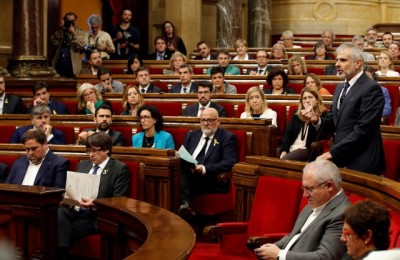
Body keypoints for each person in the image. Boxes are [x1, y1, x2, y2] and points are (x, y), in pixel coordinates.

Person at [306, 43, 385, 175]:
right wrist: (317, 120)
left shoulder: (371, 88)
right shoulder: (339, 88)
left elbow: (363, 130)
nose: (337, 64)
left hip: (362, 161)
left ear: (358, 63)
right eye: (337, 59)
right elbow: (334, 120)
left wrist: (332, 153)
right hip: (341, 157)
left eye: (342, 60)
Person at [254, 159, 350, 260]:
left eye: (309, 189)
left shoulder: (342, 214)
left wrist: (280, 255)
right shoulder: (315, 202)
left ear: (329, 186)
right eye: (303, 188)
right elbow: (294, 236)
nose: (305, 195)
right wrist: (271, 248)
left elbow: (326, 256)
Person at [57, 132, 130, 257]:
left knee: (62, 229)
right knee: (60, 212)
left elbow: (119, 199)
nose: (91, 155)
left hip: (96, 217)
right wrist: (67, 197)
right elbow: (74, 188)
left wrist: (95, 204)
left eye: (95, 151)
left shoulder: (119, 169)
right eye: (88, 151)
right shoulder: (83, 164)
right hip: (76, 210)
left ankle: (61, 254)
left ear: (106, 149)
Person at [179, 107, 237, 216]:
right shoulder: (191, 135)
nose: (205, 123)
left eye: (210, 120)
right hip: (189, 175)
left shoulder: (227, 137)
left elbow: (229, 162)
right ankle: (183, 205)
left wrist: (204, 169)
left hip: (210, 179)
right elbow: (184, 156)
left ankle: (184, 203)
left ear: (218, 121)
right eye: (203, 120)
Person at [279, 87, 328, 161]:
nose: (307, 101)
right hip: (292, 147)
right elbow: (288, 133)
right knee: (276, 154)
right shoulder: (297, 113)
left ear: (317, 100)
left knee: (283, 161)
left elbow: (321, 136)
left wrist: (312, 118)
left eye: (310, 97)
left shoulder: (324, 114)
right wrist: (284, 150)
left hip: (307, 149)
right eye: (304, 98)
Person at [50, 12, 85, 77]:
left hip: (72, 62)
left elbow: (81, 46)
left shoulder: (80, 32)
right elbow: (53, 42)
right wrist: (60, 29)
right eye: (68, 21)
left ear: (75, 21)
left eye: (73, 21)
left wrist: (73, 33)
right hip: (59, 61)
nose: (71, 23)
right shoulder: (61, 31)